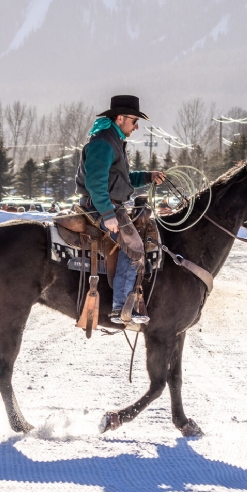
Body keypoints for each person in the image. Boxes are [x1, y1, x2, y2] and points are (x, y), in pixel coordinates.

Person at [75, 95, 165, 326]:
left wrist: (147, 177)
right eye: (134, 121)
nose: (136, 127)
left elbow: (121, 179)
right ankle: (121, 308)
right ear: (120, 118)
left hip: (110, 206)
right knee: (134, 248)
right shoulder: (103, 143)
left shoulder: (113, 141)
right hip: (99, 207)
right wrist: (107, 214)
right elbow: (96, 183)